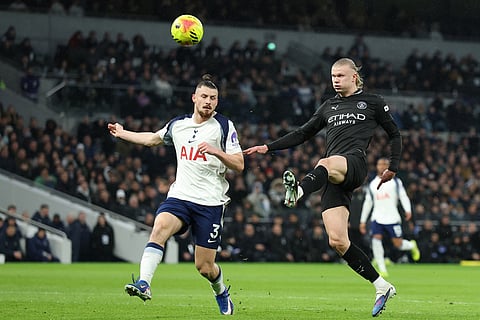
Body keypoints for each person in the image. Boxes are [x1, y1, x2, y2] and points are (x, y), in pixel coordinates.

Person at [244, 58, 401, 317]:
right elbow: (303, 133)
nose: (335, 79)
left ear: (354, 77)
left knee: (325, 162)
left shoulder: (372, 102)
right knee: (338, 241)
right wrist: (268, 147)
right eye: (333, 76)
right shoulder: (329, 106)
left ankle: (299, 191)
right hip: (332, 177)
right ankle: (381, 286)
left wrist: (393, 166)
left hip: (353, 165)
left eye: (340, 75)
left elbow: (394, 133)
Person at [107, 74, 244, 315]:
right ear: (194, 98)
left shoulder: (223, 126)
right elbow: (152, 139)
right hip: (180, 196)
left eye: (213, 98)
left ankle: (220, 291)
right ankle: (144, 283)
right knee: (159, 227)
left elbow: (239, 164)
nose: (208, 102)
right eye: (204, 97)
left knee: (204, 267)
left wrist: (216, 151)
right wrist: (123, 133)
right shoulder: (178, 125)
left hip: (210, 203)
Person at [359, 157, 420, 277]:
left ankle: (411, 245)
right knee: (376, 239)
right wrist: (362, 221)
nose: (382, 166)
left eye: (384, 164)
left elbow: (403, 196)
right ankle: (382, 270)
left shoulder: (396, 182)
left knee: (398, 244)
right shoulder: (372, 184)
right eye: (379, 164)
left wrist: (407, 210)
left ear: (388, 166)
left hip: (392, 217)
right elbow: (368, 203)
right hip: (377, 217)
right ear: (376, 166)